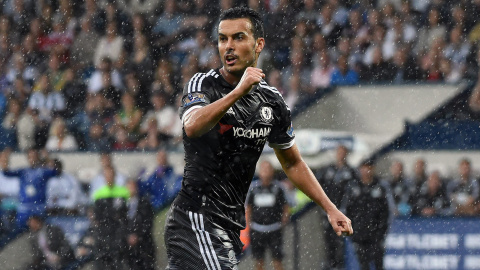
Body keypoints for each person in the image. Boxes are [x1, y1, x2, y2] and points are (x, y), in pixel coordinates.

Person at [164, 7, 353, 270]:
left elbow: (293, 164)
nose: (228, 46)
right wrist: (238, 92)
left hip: (228, 226)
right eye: (223, 39)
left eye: (238, 37)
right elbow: (192, 126)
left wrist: (330, 208)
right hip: (196, 218)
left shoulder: (272, 102)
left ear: (258, 44)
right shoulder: (203, 84)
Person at [314, 145, 358, 270]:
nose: (340, 155)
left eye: (343, 152)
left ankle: (341, 266)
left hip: (344, 214)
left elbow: (355, 193)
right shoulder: (327, 170)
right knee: (329, 243)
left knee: (342, 243)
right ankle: (330, 265)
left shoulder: (351, 171)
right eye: (339, 152)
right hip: (327, 214)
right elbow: (316, 185)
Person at [342, 161, 390, 270]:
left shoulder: (380, 186)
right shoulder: (353, 187)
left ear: (372, 169)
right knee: (363, 265)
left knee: (378, 264)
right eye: (364, 168)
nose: (366, 171)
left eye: (368, 168)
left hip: (376, 234)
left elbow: (386, 211)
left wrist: (382, 232)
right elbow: (346, 211)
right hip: (360, 234)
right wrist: (352, 234)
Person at [246, 160, 289, 270]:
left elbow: (286, 206)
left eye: (267, 169)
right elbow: (248, 208)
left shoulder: (279, 188)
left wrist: (283, 220)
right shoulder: (253, 188)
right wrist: (248, 225)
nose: (265, 172)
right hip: (257, 229)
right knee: (259, 260)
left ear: (272, 171)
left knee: (277, 260)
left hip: (274, 229)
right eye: (263, 169)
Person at [92, 166, 129, 270]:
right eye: (107, 175)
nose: (109, 177)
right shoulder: (99, 194)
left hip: (118, 233)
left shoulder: (123, 192)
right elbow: (99, 216)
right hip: (104, 233)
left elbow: (124, 214)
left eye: (111, 175)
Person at [125, 180, 156, 270]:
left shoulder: (144, 203)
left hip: (145, 246)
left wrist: (137, 235)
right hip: (130, 250)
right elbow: (122, 224)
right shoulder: (123, 205)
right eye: (129, 187)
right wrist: (128, 236)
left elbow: (148, 222)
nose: (131, 189)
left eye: (133, 187)